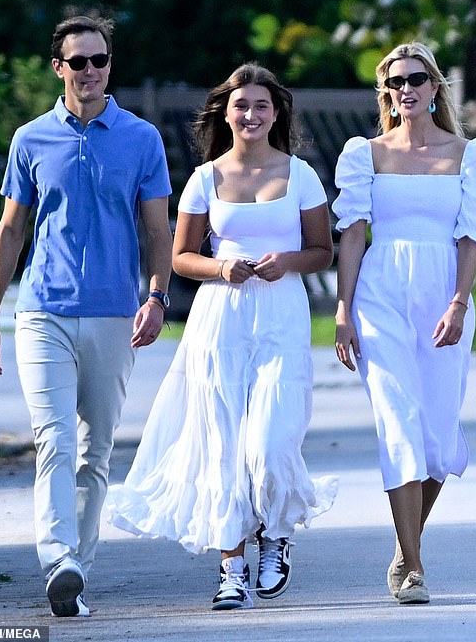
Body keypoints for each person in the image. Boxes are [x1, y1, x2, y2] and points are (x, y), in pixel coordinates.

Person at [107, 63, 338, 610]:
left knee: (270, 442)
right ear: (226, 113)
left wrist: (287, 261)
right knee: (222, 446)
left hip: (280, 315)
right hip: (221, 319)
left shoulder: (299, 174)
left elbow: (322, 250)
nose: (251, 115)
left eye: (261, 105)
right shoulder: (204, 177)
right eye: (241, 106)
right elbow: (180, 256)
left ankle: (276, 534)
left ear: (276, 112)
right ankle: (231, 567)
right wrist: (220, 268)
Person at [0, 15, 173, 617]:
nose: (89, 72)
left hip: (114, 313)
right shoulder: (30, 139)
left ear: (109, 66)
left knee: (96, 449)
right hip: (43, 311)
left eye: (99, 61)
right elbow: (11, 231)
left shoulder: (141, 139)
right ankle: (57, 556)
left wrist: (158, 296)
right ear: (58, 68)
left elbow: (156, 228)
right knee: (54, 439)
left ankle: (77, 572)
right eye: (78, 62)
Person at [333, 42, 476, 604]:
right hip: (381, 294)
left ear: (434, 88)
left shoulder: (469, 155)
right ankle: (416, 567)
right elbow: (352, 233)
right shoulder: (364, 153)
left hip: (443, 295)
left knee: (436, 431)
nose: (406, 89)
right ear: (387, 93)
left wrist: (458, 302)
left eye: (416, 79)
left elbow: (471, 239)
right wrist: (343, 311)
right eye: (395, 82)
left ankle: (404, 548)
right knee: (398, 420)